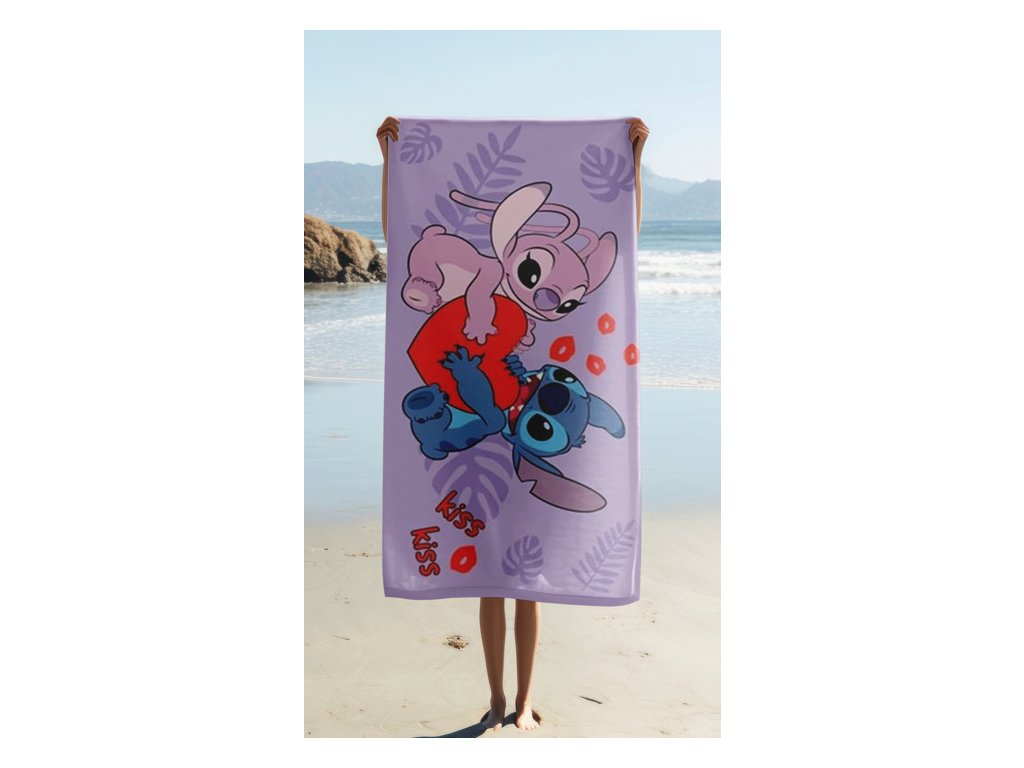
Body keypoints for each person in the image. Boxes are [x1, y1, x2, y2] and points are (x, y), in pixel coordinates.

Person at [376, 115, 648, 733]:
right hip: (482, 437)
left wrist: (635, 161)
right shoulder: (481, 292)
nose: (546, 296)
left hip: (517, 439)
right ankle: (496, 699)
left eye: (559, 295)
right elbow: (402, 229)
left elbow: (622, 240)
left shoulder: (526, 322)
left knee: (527, 582)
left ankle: (523, 701)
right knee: (490, 582)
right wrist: (390, 158)